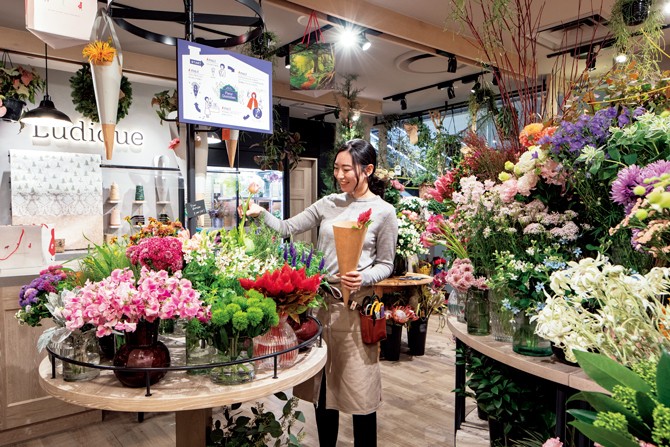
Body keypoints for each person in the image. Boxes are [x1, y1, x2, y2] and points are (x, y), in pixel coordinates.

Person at [242, 138, 398, 447]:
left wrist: (362, 276)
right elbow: (287, 228)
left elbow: (386, 264)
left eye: (346, 169)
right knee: (323, 393)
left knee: (359, 393)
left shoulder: (384, 212)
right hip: (319, 310)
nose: (340, 176)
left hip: (354, 312)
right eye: (336, 169)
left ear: (367, 169)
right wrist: (260, 213)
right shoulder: (328, 203)